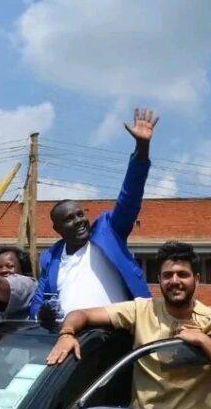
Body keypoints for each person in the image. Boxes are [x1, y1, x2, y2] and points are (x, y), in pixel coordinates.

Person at [47, 241, 211, 409]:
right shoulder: (141, 311)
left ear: (197, 279)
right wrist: (67, 334)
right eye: (168, 275)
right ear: (159, 280)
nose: (175, 281)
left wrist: (206, 343)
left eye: (183, 274)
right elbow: (82, 314)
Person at [30, 108, 158, 321]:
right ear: (57, 229)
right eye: (69, 219)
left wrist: (142, 147)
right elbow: (36, 306)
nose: (79, 221)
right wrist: (41, 313)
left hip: (113, 335)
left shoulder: (109, 233)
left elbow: (130, 196)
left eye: (80, 214)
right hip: (68, 337)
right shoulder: (50, 259)